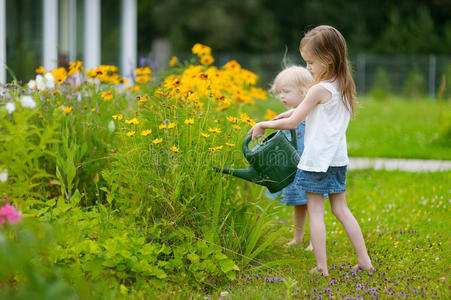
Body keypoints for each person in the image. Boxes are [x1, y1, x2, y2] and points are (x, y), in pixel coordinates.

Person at [248, 25, 374, 276]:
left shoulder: (318, 89)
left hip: (316, 161)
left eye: (310, 62)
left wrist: (263, 124)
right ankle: (365, 261)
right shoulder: (343, 84)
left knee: (315, 211)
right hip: (337, 159)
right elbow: (313, 113)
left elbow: (293, 123)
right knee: (341, 209)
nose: (308, 68)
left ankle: (322, 267)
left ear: (327, 59)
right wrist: (291, 111)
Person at [265, 66, 314, 250]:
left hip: (309, 167)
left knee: (312, 205)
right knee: (299, 205)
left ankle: (314, 240)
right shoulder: (291, 113)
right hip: (294, 168)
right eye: (280, 92)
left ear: (304, 91)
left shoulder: (310, 114)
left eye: (286, 92)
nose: (281, 96)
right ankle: (298, 237)